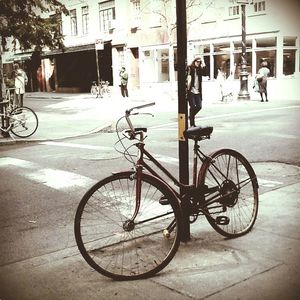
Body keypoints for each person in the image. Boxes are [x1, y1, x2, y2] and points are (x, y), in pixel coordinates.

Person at [186, 57, 206, 127]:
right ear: (194, 61)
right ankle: (192, 124)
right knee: (193, 107)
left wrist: (203, 63)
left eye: (199, 62)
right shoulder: (190, 68)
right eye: (197, 61)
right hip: (191, 91)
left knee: (199, 106)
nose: (198, 63)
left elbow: (206, 73)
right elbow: (187, 76)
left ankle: (191, 116)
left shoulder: (199, 69)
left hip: (198, 91)